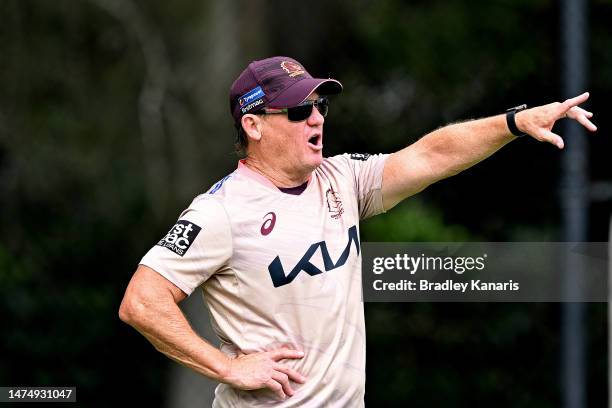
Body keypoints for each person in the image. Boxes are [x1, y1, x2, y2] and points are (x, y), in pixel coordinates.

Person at [118, 56, 597, 407]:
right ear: (253, 126)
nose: (317, 118)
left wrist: (514, 121)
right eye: (297, 111)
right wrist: (228, 367)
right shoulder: (220, 212)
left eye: (320, 105)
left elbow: (430, 155)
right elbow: (142, 302)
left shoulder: (341, 179)